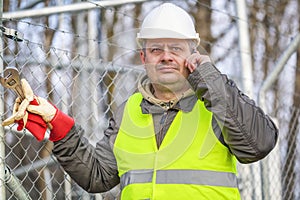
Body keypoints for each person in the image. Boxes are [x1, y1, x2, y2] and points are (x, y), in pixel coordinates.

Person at [2, 3, 278, 200]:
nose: (166, 56)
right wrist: (60, 127)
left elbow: (257, 146)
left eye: (176, 49)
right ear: (144, 57)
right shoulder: (129, 111)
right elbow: (98, 176)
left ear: (193, 54)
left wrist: (209, 79)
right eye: (156, 49)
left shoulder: (219, 101)